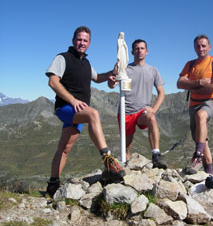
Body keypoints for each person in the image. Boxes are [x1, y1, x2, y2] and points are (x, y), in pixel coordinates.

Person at [45, 26, 125, 197]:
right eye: (79, 39)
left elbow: (97, 78)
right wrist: (72, 100)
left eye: (85, 40)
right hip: (66, 108)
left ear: (89, 43)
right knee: (93, 114)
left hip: (77, 112)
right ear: (73, 40)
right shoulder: (62, 58)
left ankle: (52, 184)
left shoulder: (86, 63)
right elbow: (53, 82)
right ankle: (108, 159)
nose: (82, 43)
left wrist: (112, 72)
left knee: (65, 149)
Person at [108, 39, 167, 169]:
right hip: (126, 112)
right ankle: (126, 167)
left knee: (151, 118)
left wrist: (153, 109)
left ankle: (156, 155)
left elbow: (161, 93)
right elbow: (111, 85)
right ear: (132, 52)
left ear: (147, 51)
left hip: (142, 111)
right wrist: (113, 74)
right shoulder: (125, 68)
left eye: (142, 48)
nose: (139, 51)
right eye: (137, 48)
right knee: (127, 147)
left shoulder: (153, 70)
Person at [177, 34, 213, 175]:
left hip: (211, 102)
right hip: (193, 104)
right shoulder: (190, 64)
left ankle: (197, 155)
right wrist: (199, 82)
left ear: (209, 47)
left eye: (204, 45)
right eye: (198, 46)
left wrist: (190, 86)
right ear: (194, 48)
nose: (201, 48)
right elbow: (179, 83)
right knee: (203, 141)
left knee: (201, 115)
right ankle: (210, 174)